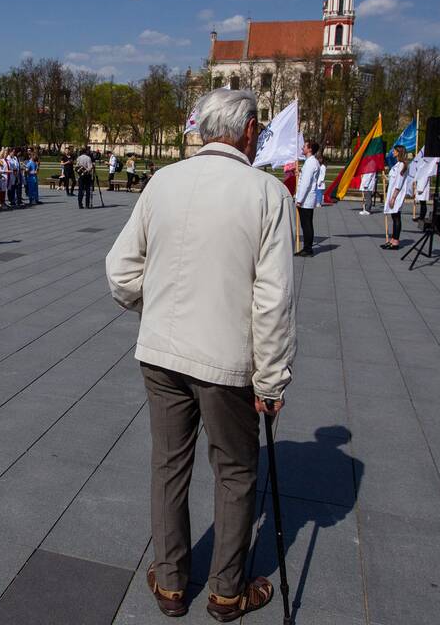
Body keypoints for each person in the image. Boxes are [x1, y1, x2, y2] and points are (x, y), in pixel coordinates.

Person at [105, 88, 291, 622]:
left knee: (168, 466)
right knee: (234, 471)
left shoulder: (163, 180)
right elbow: (273, 298)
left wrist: (154, 304)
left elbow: (119, 271)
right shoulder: (265, 192)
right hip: (225, 360)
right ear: (250, 132)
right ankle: (226, 591)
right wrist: (272, 380)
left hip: (162, 350)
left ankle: (170, 583)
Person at [381, 145, 409, 251]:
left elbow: (399, 183)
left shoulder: (402, 165)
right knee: (394, 217)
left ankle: (396, 241)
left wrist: (393, 197)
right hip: (393, 193)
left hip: (397, 195)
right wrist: (386, 178)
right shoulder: (397, 164)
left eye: (395, 151)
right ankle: (393, 240)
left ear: (399, 152)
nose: (393, 152)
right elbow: (394, 180)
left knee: (397, 217)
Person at [294, 142, 319, 256]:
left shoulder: (310, 163)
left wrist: (299, 199)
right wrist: (300, 173)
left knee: (306, 224)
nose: (302, 147)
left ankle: (308, 249)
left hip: (305, 198)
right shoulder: (310, 162)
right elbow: (305, 178)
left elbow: (306, 183)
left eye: (304, 146)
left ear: (309, 149)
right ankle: (307, 248)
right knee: (307, 223)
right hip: (307, 198)